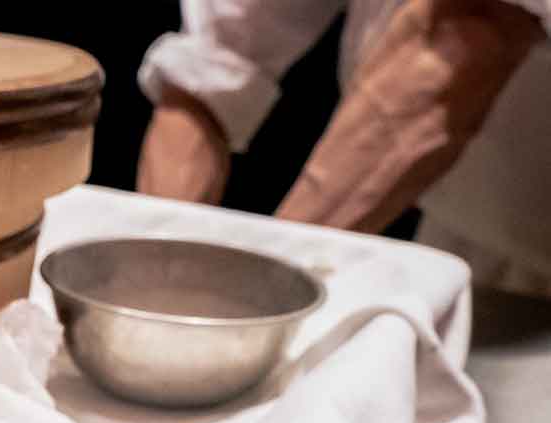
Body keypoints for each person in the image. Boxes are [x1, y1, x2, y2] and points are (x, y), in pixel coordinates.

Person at [137, 0, 551, 296]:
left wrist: (263, 295)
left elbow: (467, 31)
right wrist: (147, 277)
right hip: (470, 233)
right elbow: (217, 52)